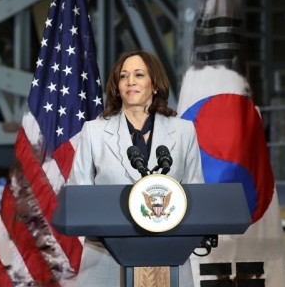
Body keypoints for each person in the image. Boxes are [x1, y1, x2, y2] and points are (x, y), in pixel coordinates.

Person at [68, 50, 204, 287]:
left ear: (154, 84)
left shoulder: (183, 131)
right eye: (123, 76)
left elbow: (195, 192)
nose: (130, 81)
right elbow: (78, 194)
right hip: (106, 259)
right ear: (117, 87)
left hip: (169, 256)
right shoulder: (94, 131)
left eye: (139, 74)